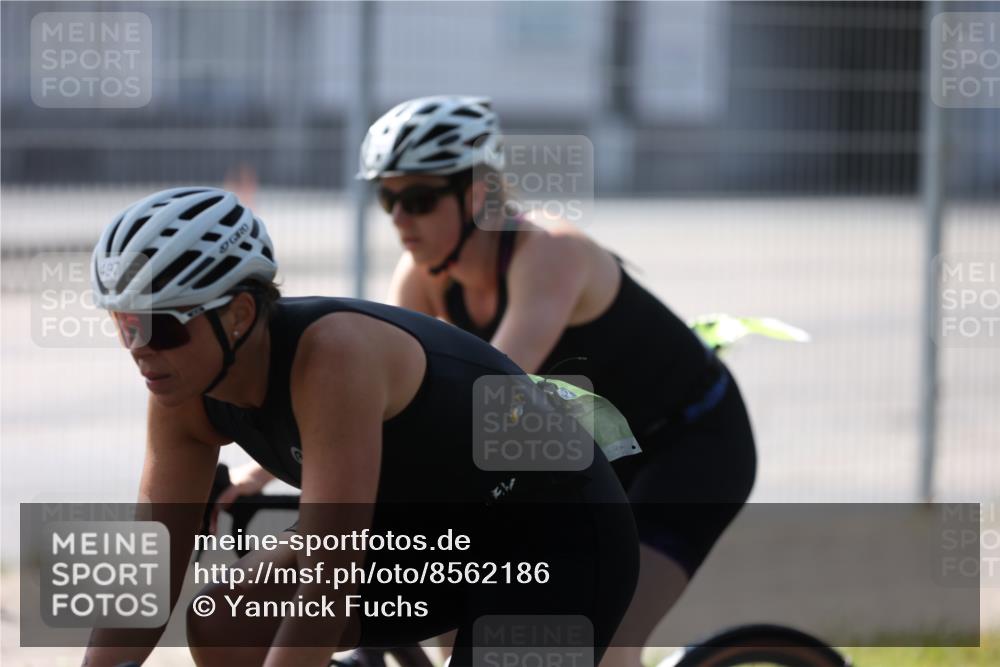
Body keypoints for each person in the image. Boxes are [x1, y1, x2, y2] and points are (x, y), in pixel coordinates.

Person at [80, 187, 639, 667]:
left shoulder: (332, 358)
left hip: (553, 538)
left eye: (161, 327)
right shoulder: (181, 388)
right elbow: (145, 582)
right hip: (427, 537)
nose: (140, 350)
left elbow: (328, 582)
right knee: (227, 622)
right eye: (125, 325)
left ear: (240, 314)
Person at [363, 95, 758, 667]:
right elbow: (391, 392)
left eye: (419, 199)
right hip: (594, 451)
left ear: (478, 192)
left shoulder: (549, 253)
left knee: (604, 634)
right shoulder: (423, 277)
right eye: (387, 198)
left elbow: (488, 394)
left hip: (689, 446)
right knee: (461, 612)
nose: (400, 220)